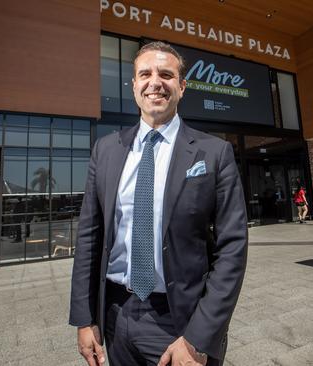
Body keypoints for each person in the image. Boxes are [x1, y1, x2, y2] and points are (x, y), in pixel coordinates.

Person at [69, 41, 248, 366]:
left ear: (181, 86)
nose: (155, 82)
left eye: (166, 74)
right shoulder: (105, 150)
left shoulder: (214, 152)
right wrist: (84, 318)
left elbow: (233, 248)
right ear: (134, 84)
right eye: (145, 74)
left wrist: (199, 336)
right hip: (115, 314)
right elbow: (89, 238)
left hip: (180, 322)